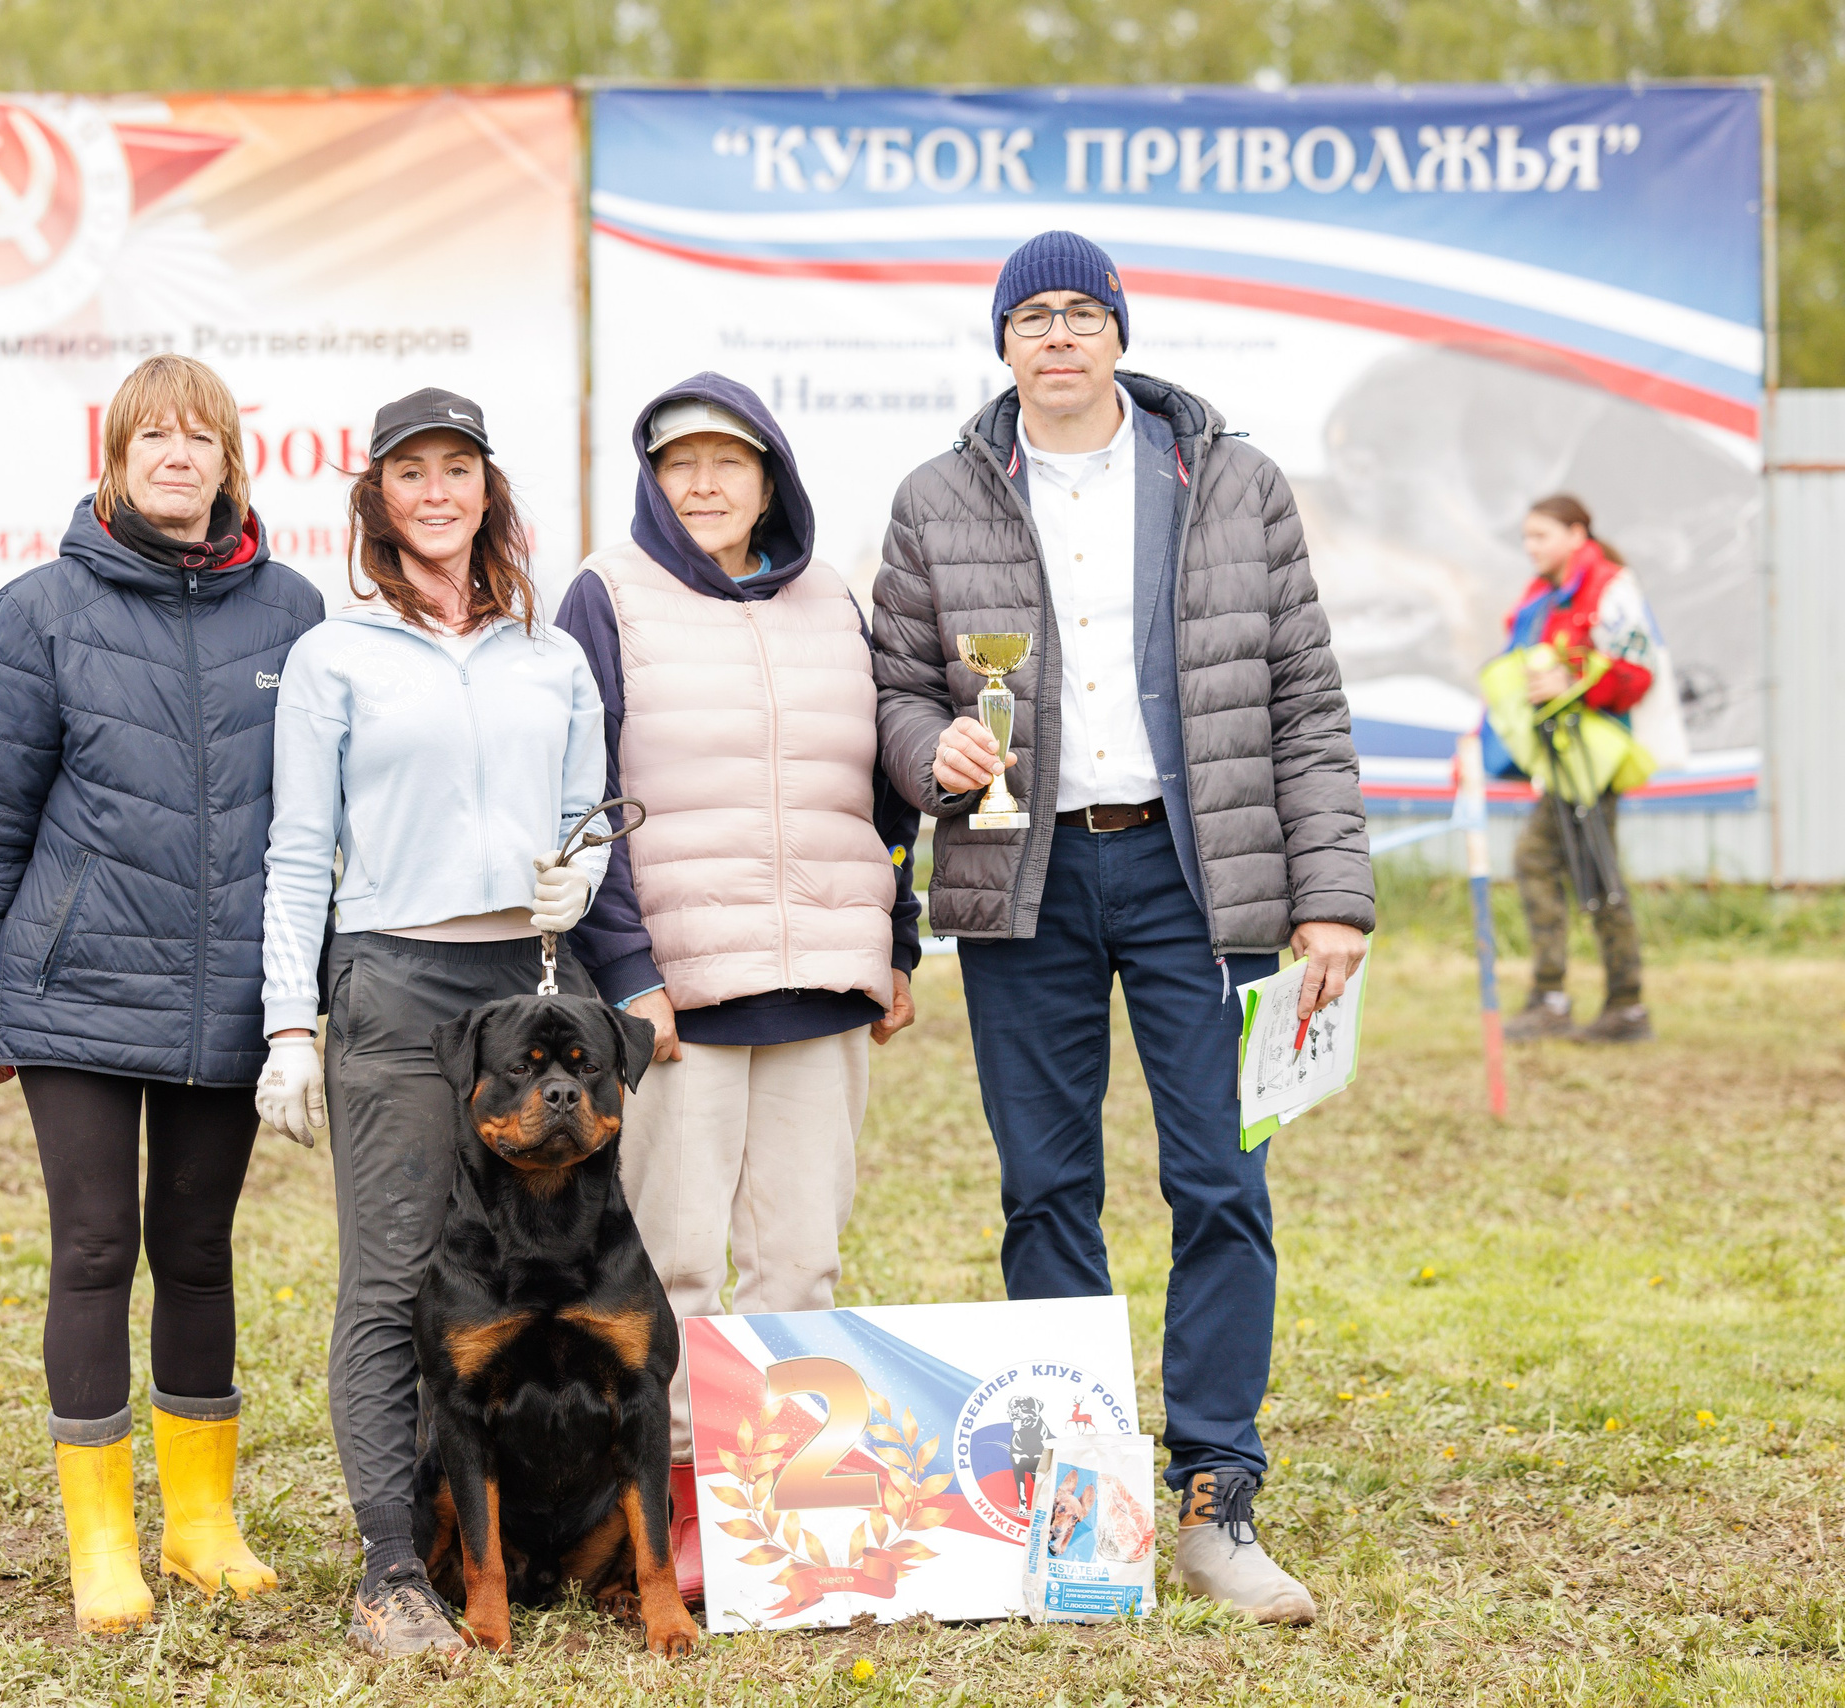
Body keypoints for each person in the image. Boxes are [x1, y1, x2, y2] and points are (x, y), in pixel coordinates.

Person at [869, 231, 1373, 1626]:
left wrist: (1332, 893)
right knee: (1045, 1189)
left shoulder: (1231, 481)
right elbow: (895, 688)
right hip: (1017, 877)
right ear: (1002, 341)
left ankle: (1216, 1497)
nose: (1058, 336)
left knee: (1220, 1185)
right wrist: (928, 751)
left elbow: (1304, 701)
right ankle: (1078, 1503)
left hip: (1199, 878)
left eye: (1081, 312)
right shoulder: (936, 497)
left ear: (1119, 332)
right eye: (1031, 315)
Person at [0, 354, 323, 1635]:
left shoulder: (296, 610)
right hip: (78, 987)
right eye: (152, 435)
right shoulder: (39, 609)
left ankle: (201, 1525)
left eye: (199, 435)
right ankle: (102, 1543)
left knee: (198, 1250)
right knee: (95, 1247)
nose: (176, 454)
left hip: (229, 989)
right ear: (116, 456)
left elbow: (319, 816)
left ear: (229, 461)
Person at [254, 387, 610, 1659]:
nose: (437, 491)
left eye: (458, 468)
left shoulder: (549, 654)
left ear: (487, 489)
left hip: (530, 990)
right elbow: (298, 851)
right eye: (411, 472)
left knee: (521, 1271)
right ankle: (389, 1568)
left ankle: (490, 1535)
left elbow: (587, 818)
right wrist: (288, 1028)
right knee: (395, 1277)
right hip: (395, 983)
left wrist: (582, 882)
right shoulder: (334, 654)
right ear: (378, 499)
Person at [554, 374, 921, 1603]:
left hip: (823, 987)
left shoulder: (834, 598)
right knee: (673, 1267)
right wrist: (629, 973)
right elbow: (583, 796)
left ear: (772, 478)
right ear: (651, 480)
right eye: (679, 464)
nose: (704, 484)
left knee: (799, 1264)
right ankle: (663, 1513)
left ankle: (776, 1515)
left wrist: (896, 943)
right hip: (680, 1001)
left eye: (730, 461)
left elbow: (874, 790)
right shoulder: (606, 594)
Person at [1498, 495, 1657, 1044]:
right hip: (1563, 757)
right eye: (1526, 537)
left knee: (1595, 877)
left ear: (1576, 534)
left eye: (1540, 535)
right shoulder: (1543, 593)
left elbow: (1637, 672)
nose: (1530, 547)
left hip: (1596, 757)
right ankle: (1579, 999)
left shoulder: (1610, 586)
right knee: (1550, 863)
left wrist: (1574, 681)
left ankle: (1618, 1004)